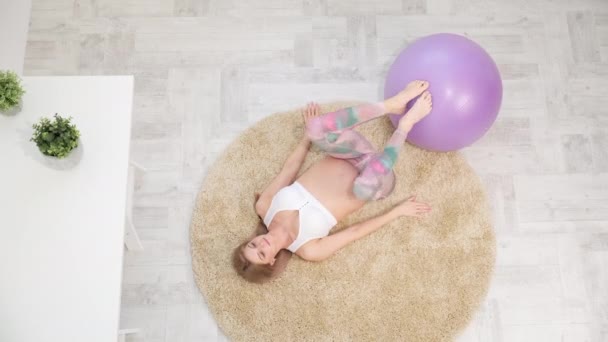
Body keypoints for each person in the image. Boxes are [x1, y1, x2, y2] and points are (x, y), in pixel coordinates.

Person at [233, 80, 433, 283]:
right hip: (376, 180)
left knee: (316, 128)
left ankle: (391, 105)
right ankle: (405, 126)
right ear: (271, 261)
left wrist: (307, 137)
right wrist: (397, 212)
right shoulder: (309, 249)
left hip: (352, 152)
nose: (261, 244)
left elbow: (289, 169)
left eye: (253, 245)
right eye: (261, 254)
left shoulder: (265, 207)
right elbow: (355, 232)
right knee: (363, 188)